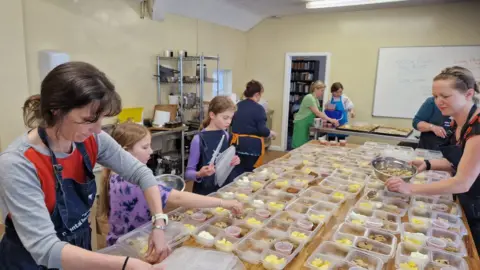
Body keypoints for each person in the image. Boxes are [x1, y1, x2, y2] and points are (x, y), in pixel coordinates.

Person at [0, 62, 169, 269]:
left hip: (78, 249)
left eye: (100, 120)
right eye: (89, 120)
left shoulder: (91, 140)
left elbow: (140, 173)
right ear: (55, 110)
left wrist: (159, 223)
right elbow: (45, 248)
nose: (98, 130)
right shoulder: (18, 163)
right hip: (30, 260)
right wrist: (126, 264)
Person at [100, 122, 243, 246]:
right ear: (125, 152)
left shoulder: (114, 173)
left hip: (123, 239)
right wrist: (223, 203)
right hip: (133, 244)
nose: (151, 151)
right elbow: (178, 198)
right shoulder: (133, 182)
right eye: (144, 147)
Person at [386, 66, 480, 251]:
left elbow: (462, 182)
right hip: (467, 200)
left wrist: (410, 188)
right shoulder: (457, 122)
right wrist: (428, 164)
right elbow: (460, 161)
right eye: (435, 96)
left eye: (445, 96)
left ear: (469, 94)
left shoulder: (477, 130)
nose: (438, 102)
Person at [186, 96, 241, 195]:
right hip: (205, 192)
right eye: (225, 118)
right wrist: (200, 174)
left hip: (223, 188)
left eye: (231, 118)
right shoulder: (198, 139)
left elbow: (224, 161)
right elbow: (189, 173)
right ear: (212, 115)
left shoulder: (226, 135)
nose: (229, 121)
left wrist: (233, 160)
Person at [231, 80, 276, 173]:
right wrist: (270, 133)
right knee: (250, 172)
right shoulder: (259, 109)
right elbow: (262, 130)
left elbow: (232, 123)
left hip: (237, 144)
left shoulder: (237, 105)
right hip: (252, 146)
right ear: (257, 94)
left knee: (237, 169)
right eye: (260, 95)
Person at [292, 80, 339, 148]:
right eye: (321, 90)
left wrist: (324, 120)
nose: (322, 93)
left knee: (304, 145)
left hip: (306, 124)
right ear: (315, 89)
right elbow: (317, 112)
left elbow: (318, 113)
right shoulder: (309, 98)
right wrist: (331, 120)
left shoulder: (315, 99)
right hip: (301, 123)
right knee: (299, 145)